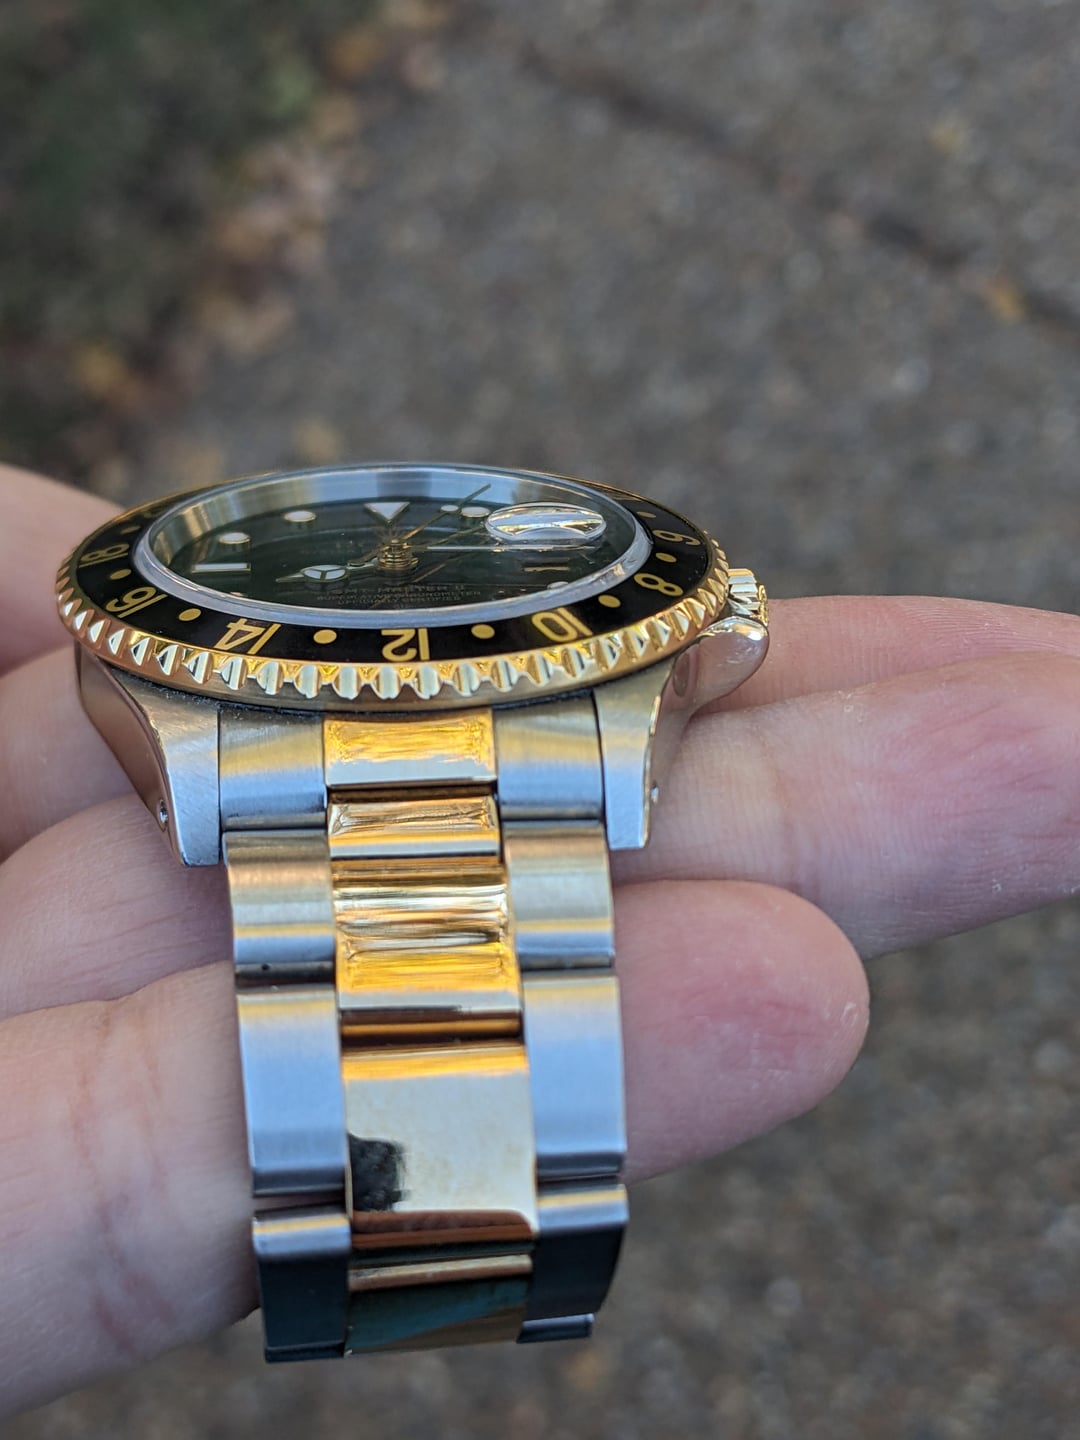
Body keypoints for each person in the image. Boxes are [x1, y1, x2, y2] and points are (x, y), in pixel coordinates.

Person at [3, 462, 1079, 1418]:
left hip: (472, 711)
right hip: (293, 717)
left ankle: (438, 1271)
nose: (394, 552)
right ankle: (437, 1271)